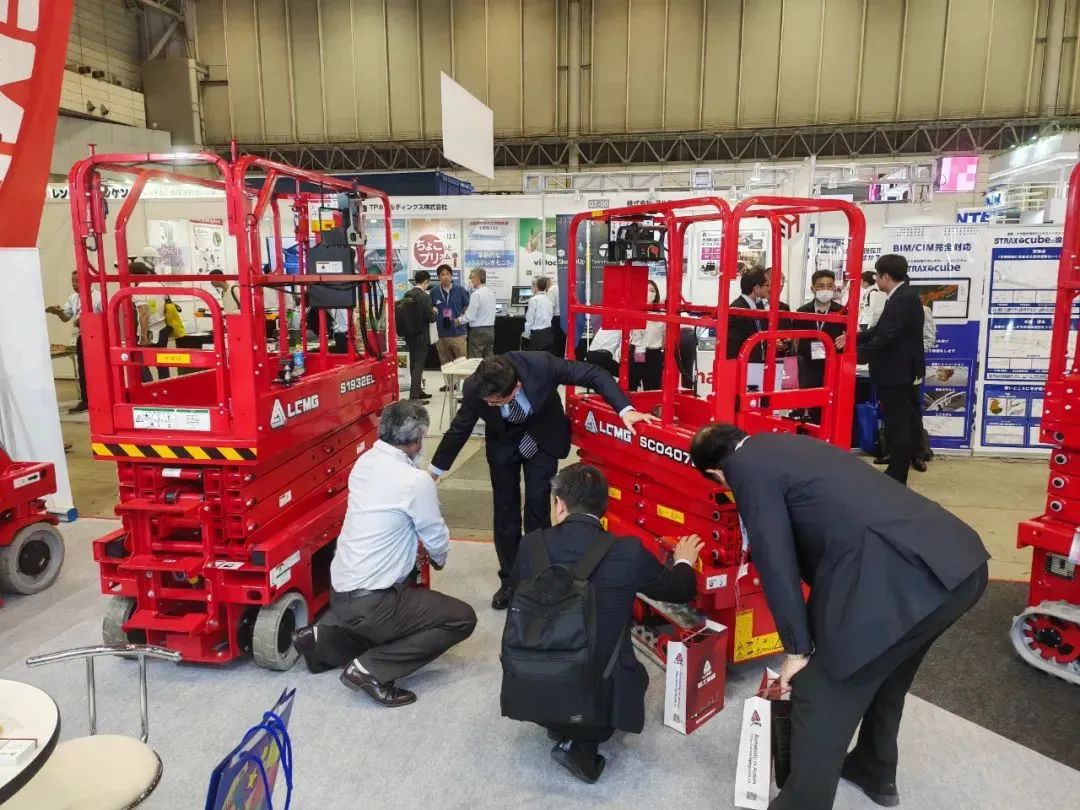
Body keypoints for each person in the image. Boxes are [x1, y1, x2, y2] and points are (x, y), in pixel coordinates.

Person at [689, 424, 989, 810]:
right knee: (887, 672)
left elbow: (775, 559)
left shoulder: (744, 467)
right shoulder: (786, 446)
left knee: (819, 691)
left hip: (902, 576)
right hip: (957, 563)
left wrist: (797, 650)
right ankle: (873, 768)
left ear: (716, 473)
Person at [511, 463, 700, 783]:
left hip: (530, 684)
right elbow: (680, 590)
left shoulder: (530, 545)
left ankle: (556, 720)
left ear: (559, 504)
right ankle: (580, 744)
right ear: (604, 507)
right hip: (592, 694)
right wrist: (684, 560)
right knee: (638, 676)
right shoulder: (627, 552)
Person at [429, 352, 654, 609]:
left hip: (542, 439)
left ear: (517, 387)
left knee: (538, 508)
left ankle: (540, 577)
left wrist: (625, 409)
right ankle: (511, 580)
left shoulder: (541, 366)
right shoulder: (475, 387)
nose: (491, 406)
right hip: (504, 444)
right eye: (488, 403)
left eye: (498, 401)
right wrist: (434, 472)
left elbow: (594, 373)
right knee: (505, 512)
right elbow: (460, 428)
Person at [291, 401, 477, 707]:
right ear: (418, 440)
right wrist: (440, 559)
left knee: (394, 621)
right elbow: (435, 536)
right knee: (460, 618)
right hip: (374, 602)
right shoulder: (416, 481)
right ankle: (371, 670)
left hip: (341, 592)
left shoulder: (364, 462)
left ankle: (323, 642)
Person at [849, 254, 926, 485]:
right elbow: (879, 329)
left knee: (898, 424)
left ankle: (897, 475)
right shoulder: (900, 296)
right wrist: (852, 338)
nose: (875, 280)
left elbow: (887, 335)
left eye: (877, 275)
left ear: (885, 276)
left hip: (896, 372)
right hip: (894, 371)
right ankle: (895, 470)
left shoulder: (904, 298)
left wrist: (856, 354)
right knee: (896, 423)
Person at [45, 270, 101, 414]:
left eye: (78, 281)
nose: (75, 284)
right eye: (73, 281)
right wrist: (58, 312)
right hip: (81, 337)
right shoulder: (73, 298)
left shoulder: (98, 297)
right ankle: (86, 400)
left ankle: (100, 398)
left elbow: (106, 318)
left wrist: (89, 322)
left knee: (98, 369)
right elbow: (66, 317)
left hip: (97, 338)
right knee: (83, 370)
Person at [795, 269, 845, 424]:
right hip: (809, 367)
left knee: (832, 410)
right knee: (812, 408)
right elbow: (796, 342)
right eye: (821, 286)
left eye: (829, 286)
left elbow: (848, 338)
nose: (825, 290)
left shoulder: (842, 312)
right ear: (813, 288)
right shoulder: (802, 312)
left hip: (833, 367)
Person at [129, 261, 171, 381]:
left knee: (139, 362)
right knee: (162, 363)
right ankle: (165, 386)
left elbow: (144, 314)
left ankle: (149, 387)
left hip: (149, 330)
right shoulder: (160, 285)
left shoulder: (139, 290)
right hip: (162, 328)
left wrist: (143, 336)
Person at [429, 264, 470, 371]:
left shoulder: (460, 289)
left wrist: (463, 318)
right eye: (442, 274)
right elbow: (431, 307)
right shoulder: (434, 291)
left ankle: (462, 382)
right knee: (445, 363)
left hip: (458, 332)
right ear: (438, 277)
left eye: (447, 274)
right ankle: (449, 381)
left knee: (462, 362)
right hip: (441, 333)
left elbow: (467, 307)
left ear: (451, 276)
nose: (445, 277)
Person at [402, 271, 435, 400]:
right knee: (419, 365)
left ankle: (418, 391)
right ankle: (415, 396)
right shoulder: (424, 296)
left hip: (409, 335)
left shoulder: (407, 294)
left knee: (414, 364)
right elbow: (431, 318)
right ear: (426, 281)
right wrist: (435, 312)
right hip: (421, 336)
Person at [727, 267, 770, 362]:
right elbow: (732, 348)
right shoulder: (736, 311)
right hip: (743, 365)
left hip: (757, 364)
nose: (769, 289)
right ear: (757, 288)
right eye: (767, 285)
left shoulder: (759, 305)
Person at [629, 280, 665, 391]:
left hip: (654, 353)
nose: (649, 293)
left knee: (653, 388)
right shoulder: (634, 311)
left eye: (652, 290)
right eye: (647, 290)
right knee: (633, 383)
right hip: (639, 350)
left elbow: (665, 338)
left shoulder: (662, 314)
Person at [457, 267, 496, 358]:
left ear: (477, 278)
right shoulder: (491, 292)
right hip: (490, 330)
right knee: (489, 358)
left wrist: (459, 320)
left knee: (475, 360)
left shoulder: (476, 294)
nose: (469, 280)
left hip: (478, 332)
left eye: (471, 277)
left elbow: (470, 316)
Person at [523, 276, 555, 352]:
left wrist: (526, 332)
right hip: (549, 334)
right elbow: (550, 316)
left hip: (537, 336)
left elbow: (530, 319)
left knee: (535, 357)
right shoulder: (549, 299)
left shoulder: (533, 300)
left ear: (536, 286)